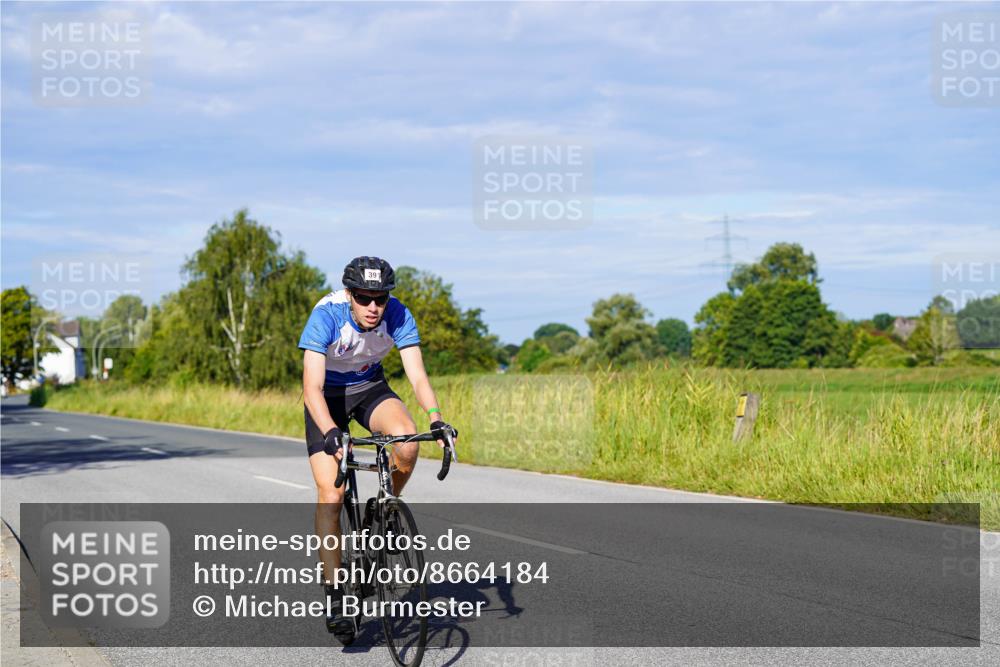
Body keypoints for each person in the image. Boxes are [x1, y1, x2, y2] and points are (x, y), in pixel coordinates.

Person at [298, 256, 455, 642]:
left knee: (406, 440)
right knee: (331, 495)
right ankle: (336, 594)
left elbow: (417, 375)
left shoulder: (398, 315)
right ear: (349, 295)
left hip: (369, 388)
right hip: (327, 398)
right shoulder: (327, 315)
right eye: (364, 298)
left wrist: (436, 417)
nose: (373, 308)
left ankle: (384, 509)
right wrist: (332, 432)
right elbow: (311, 389)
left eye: (380, 299)